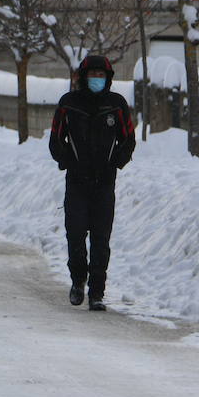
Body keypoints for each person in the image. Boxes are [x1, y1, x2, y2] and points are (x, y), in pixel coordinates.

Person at [48, 54, 135, 311]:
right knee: (75, 233)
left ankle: (97, 291)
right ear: (83, 77)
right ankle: (78, 280)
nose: (96, 79)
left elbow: (128, 139)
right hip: (76, 181)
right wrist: (66, 161)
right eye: (92, 75)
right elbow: (55, 139)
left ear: (107, 78)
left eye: (101, 75)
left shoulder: (117, 105)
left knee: (100, 238)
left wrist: (115, 163)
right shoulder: (69, 104)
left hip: (104, 183)